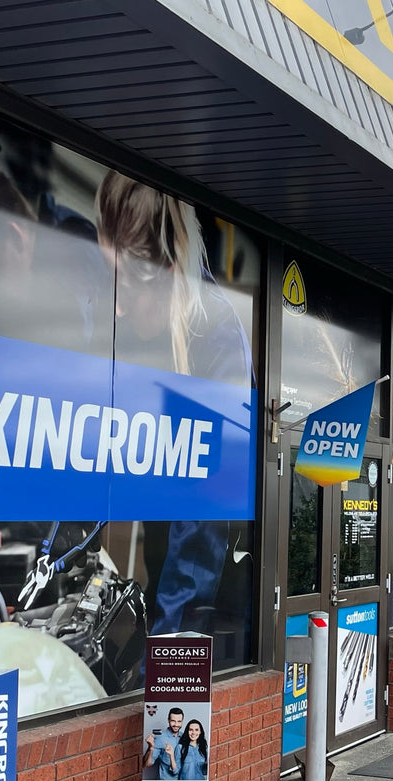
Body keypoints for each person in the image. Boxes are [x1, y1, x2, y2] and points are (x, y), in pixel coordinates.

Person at [95, 171, 253, 637]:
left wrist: (167, 644)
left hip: (212, 602)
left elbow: (204, 513)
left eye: (127, 285)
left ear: (166, 275)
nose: (117, 305)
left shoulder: (217, 341)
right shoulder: (146, 333)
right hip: (165, 571)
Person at [143, 707, 184, 779]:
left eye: (179, 721)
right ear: (168, 720)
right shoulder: (160, 738)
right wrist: (151, 748)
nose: (176, 724)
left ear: (182, 721)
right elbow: (146, 764)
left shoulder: (184, 737)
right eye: (173, 721)